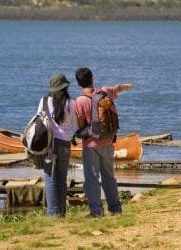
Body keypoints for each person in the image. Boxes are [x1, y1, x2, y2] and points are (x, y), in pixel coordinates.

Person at [74, 67, 132, 217]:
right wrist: (124, 87)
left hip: (91, 146)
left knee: (92, 178)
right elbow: (116, 89)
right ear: (92, 79)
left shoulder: (80, 101)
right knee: (109, 177)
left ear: (78, 84)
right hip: (108, 142)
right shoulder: (105, 91)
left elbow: (81, 126)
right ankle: (116, 209)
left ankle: (96, 212)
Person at [37, 74, 78, 217]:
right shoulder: (72, 103)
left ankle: (52, 214)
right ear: (65, 87)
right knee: (62, 179)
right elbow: (75, 126)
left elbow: (39, 123)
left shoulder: (43, 102)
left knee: (50, 179)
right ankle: (61, 213)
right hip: (65, 144)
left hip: (49, 145)